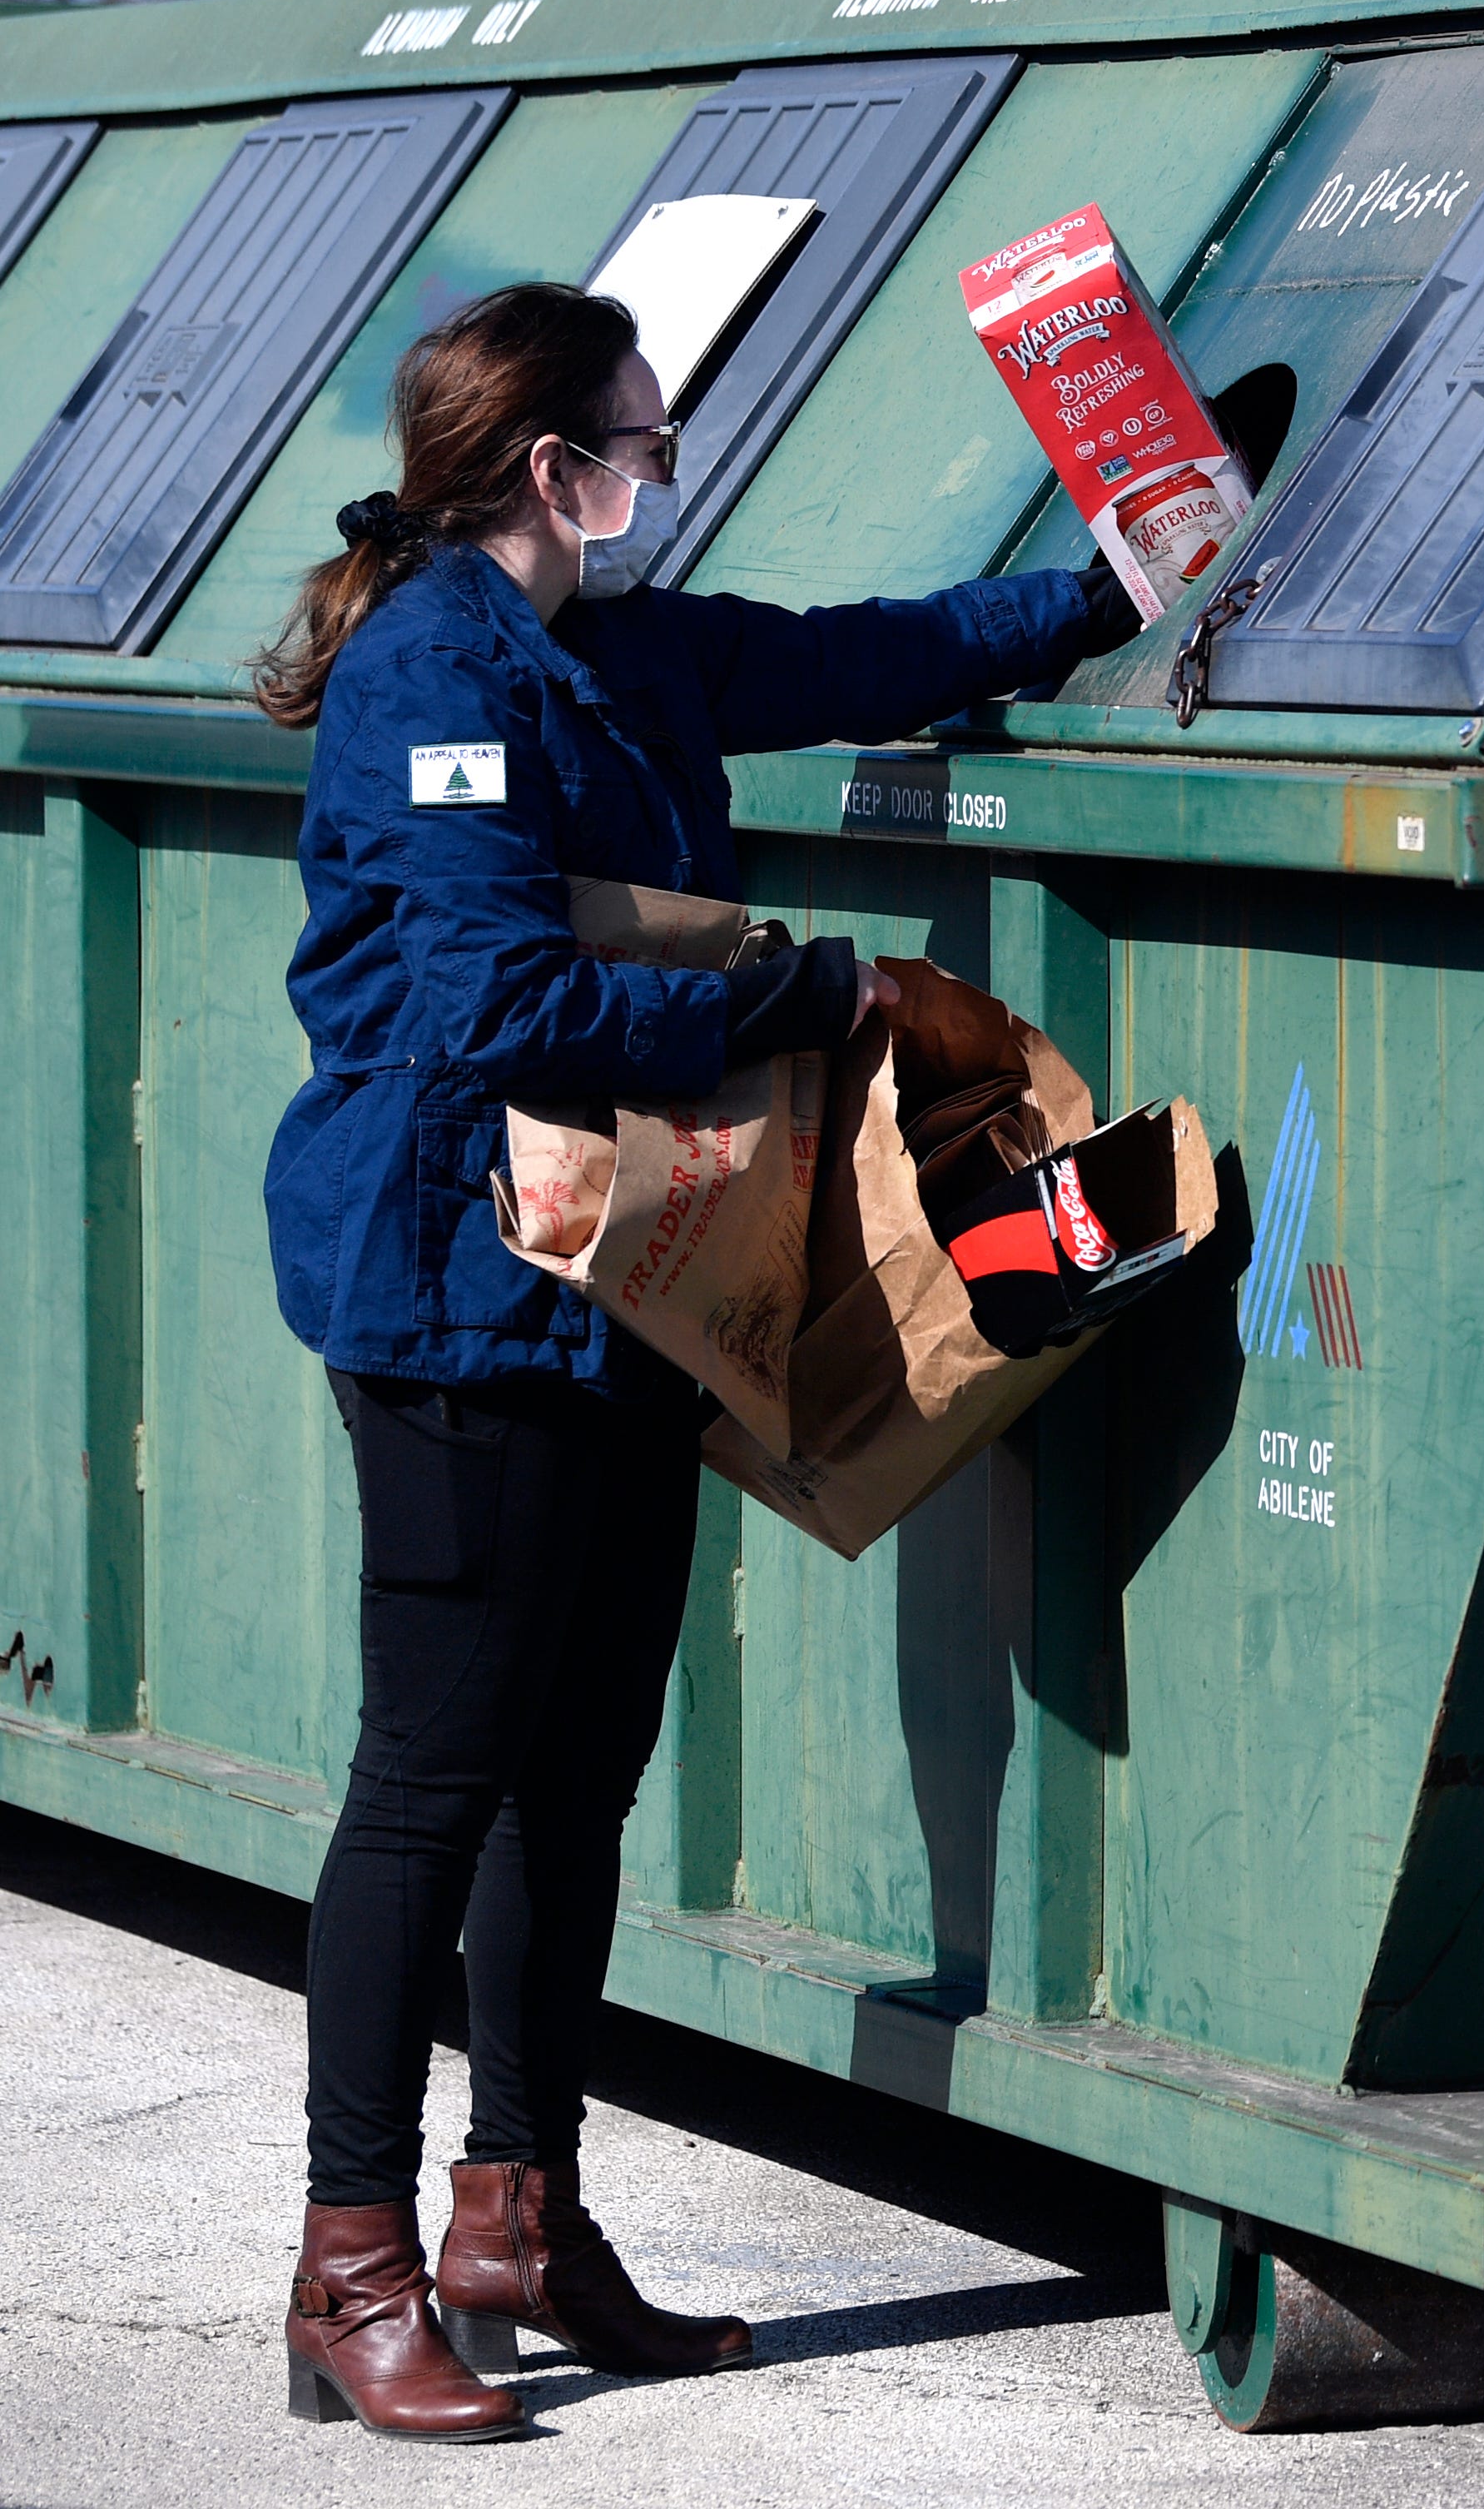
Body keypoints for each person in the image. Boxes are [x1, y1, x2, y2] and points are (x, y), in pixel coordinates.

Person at [248, 283, 1143, 2442]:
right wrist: (791, 997)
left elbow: (858, 654)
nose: (666, 472)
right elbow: (491, 1004)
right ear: (553, 467)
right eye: (644, 445)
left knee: (578, 1773)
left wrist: (1110, 592)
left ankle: (520, 2219)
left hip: (636, 1286)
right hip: (458, 1288)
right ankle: (348, 2265)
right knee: (432, 1778)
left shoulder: (626, 653)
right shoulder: (432, 676)